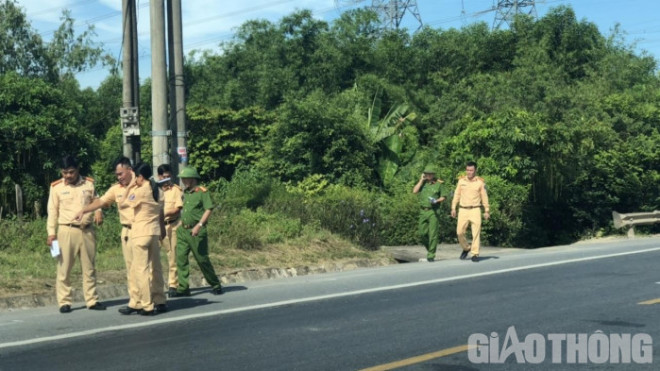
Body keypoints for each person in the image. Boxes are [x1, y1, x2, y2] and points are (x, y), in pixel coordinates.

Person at [46, 155, 106, 313]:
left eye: (71, 172)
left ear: (77, 169)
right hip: (67, 230)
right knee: (64, 267)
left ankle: (92, 300)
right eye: (65, 172)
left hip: (87, 230)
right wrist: (51, 234)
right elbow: (52, 212)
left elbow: (97, 200)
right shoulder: (56, 187)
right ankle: (64, 301)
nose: (68, 176)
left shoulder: (89, 183)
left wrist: (99, 211)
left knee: (89, 267)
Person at [170, 166, 223, 297]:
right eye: (182, 179)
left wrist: (199, 225)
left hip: (196, 231)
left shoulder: (202, 192)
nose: (183, 181)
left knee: (202, 259)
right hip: (183, 230)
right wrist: (180, 224)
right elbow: (186, 210)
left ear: (193, 179)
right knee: (181, 259)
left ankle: (215, 284)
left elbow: (208, 209)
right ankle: (183, 288)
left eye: (186, 178)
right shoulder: (185, 193)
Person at [451, 161, 490, 262]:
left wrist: (486, 210)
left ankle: (475, 254)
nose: (469, 172)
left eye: (471, 170)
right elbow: (456, 195)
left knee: (476, 233)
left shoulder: (480, 182)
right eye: (467, 170)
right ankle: (466, 248)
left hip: (475, 209)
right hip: (463, 209)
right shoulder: (461, 181)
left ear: (475, 170)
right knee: (459, 232)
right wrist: (453, 208)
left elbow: (484, 197)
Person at [157, 164, 183, 297]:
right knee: (153, 257)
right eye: (163, 177)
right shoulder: (154, 191)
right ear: (159, 177)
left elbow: (177, 208)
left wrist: (163, 214)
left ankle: (173, 284)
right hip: (156, 227)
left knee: (172, 256)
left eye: (168, 176)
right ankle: (155, 286)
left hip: (172, 225)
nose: (166, 179)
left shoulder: (176, 190)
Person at [412, 165, 446, 262]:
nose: (428, 175)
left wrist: (437, 201)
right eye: (426, 174)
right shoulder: (423, 183)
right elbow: (414, 191)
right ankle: (430, 249)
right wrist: (421, 180)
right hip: (423, 211)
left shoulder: (439, 184)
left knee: (433, 234)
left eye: (430, 174)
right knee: (422, 233)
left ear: (433, 174)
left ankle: (431, 254)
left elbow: (444, 196)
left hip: (433, 211)